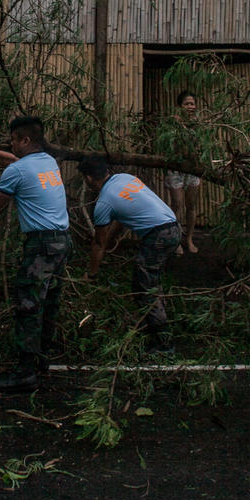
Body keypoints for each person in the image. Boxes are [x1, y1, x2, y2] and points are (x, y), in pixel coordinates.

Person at [0, 116, 71, 393]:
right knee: (49, 303)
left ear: (24, 140)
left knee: (28, 305)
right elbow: (14, 161)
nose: (11, 144)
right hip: (63, 242)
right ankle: (41, 361)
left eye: (13, 139)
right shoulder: (48, 162)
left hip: (42, 245)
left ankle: (24, 373)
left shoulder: (19, 171)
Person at [79, 156, 179, 354]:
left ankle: (163, 343)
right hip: (174, 228)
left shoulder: (104, 202)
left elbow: (98, 243)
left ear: (89, 178)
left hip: (157, 235)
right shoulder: (124, 178)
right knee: (149, 281)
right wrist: (113, 241)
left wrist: (91, 274)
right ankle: (153, 327)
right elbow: (121, 217)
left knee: (145, 287)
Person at [164, 90, 201, 254]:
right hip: (176, 168)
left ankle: (189, 238)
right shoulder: (173, 123)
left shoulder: (198, 124)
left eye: (192, 103)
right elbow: (172, 146)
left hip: (192, 169)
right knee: (177, 204)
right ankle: (175, 240)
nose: (190, 107)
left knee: (191, 205)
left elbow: (200, 147)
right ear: (179, 106)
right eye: (186, 103)